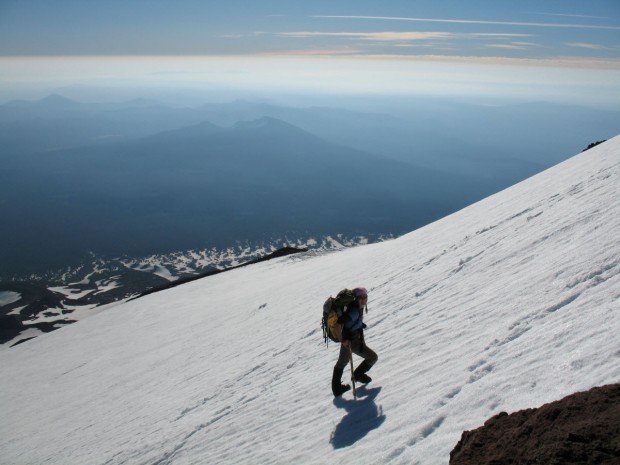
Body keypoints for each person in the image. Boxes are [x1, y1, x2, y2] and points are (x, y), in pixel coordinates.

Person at [331, 287, 378, 397]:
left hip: (351, 338)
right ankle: (357, 375)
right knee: (372, 357)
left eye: (365, 297)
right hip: (351, 341)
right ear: (355, 299)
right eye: (361, 298)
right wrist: (343, 340)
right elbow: (338, 324)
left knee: (342, 362)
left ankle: (337, 389)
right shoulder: (354, 312)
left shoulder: (357, 308)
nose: (364, 300)